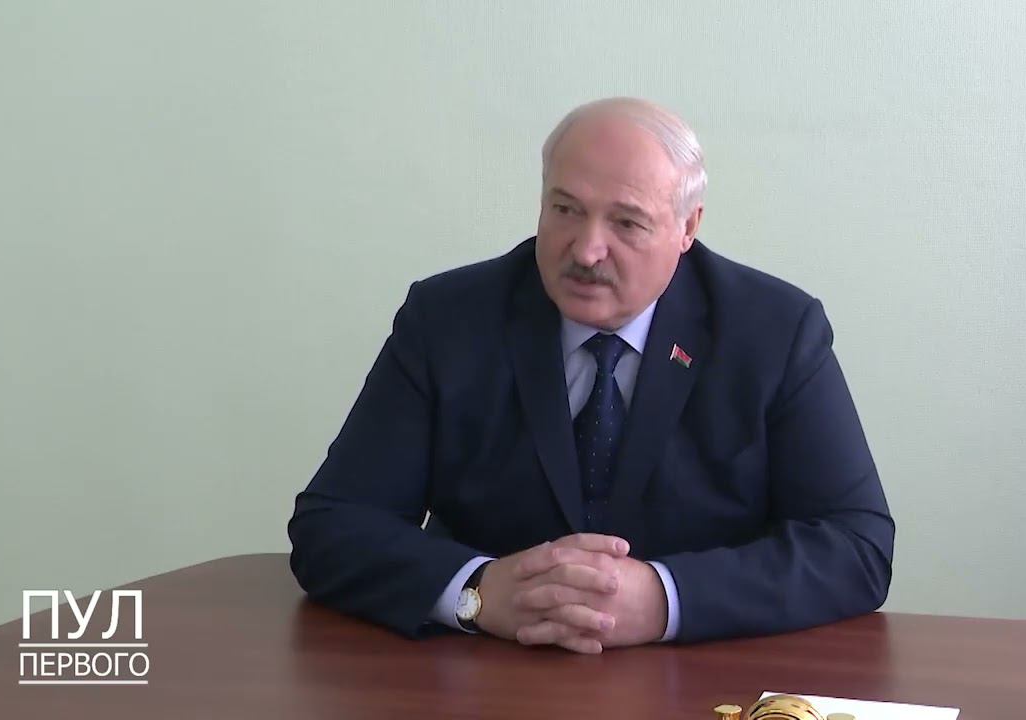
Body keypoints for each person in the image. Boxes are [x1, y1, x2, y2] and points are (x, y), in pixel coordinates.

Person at [288, 97, 894, 653]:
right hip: (485, 673)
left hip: (705, 680)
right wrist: (477, 592)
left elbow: (856, 546)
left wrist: (665, 599)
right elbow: (333, 524)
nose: (585, 250)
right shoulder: (447, 320)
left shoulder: (774, 331)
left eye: (626, 223)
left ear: (687, 228)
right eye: (566, 210)